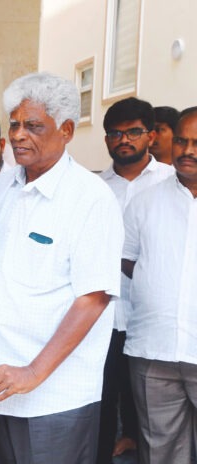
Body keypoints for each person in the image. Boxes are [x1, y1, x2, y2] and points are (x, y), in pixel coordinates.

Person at [0, 72, 124, 463]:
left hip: (52, 397)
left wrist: (33, 372)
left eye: (33, 126)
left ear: (66, 130)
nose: (19, 135)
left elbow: (93, 298)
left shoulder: (90, 198)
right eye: (14, 124)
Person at [96, 97, 174, 464]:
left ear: (151, 136)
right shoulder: (95, 187)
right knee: (101, 399)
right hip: (104, 314)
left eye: (133, 132)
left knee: (154, 413)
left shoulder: (172, 182)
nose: (123, 139)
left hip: (155, 315)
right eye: (115, 133)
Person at [121, 106, 197, 464]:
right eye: (181, 141)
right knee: (160, 452)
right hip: (153, 350)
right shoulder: (145, 201)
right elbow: (127, 259)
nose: (188, 150)